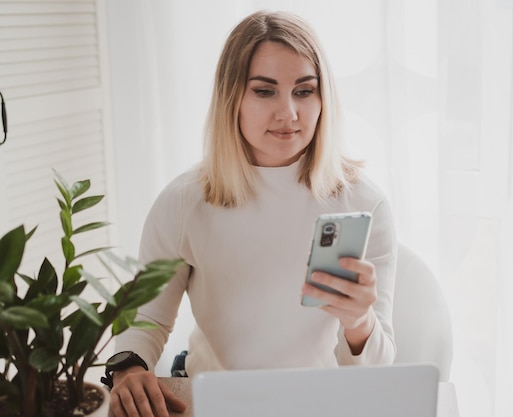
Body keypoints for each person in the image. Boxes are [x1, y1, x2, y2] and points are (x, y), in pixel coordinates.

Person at [107, 10, 397, 417]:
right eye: (264, 91)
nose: (289, 113)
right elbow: (147, 319)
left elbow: (377, 374)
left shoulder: (364, 203)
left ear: (322, 98)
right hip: (214, 402)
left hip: (318, 403)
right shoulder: (183, 202)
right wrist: (127, 369)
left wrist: (359, 322)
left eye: (303, 91)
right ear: (233, 99)